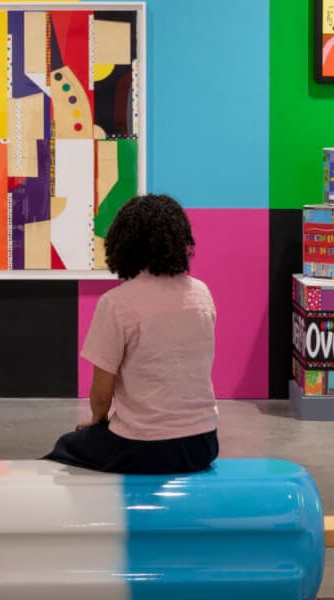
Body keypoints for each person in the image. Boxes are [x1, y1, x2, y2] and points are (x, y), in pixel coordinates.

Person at [45, 194, 218, 475]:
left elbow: (102, 394)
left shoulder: (116, 303)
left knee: (67, 444)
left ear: (123, 244)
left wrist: (97, 421)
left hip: (143, 447)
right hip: (204, 444)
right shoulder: (201, 294)